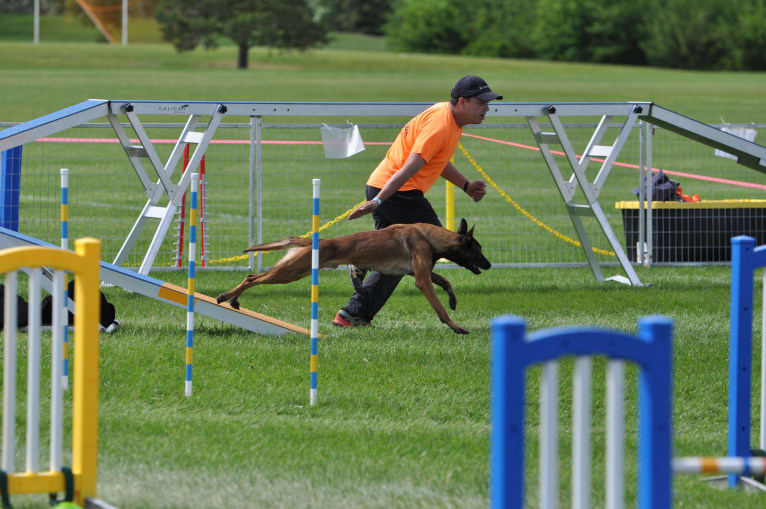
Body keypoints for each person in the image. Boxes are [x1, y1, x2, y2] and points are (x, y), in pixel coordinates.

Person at [332, 75, 503, 328]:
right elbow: (411, 165)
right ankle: (357, 290)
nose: (487, 108)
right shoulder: (441, 125)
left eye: (488, 103)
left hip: (388, 188)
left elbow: (438, 160)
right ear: (463, 102)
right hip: (398, 191)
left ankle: (352, 313)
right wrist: (379, 201)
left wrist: (466, 185)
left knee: (398, 256)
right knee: (428, 250)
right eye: (482, 103)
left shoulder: (447, 117)